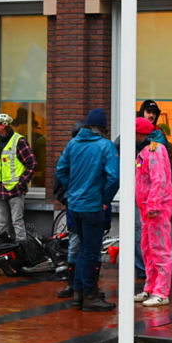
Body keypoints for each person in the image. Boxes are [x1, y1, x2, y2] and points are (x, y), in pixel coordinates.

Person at [56, 108, 119, 312]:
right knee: (91, 252)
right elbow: (113, 177)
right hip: (93, 206)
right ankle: (89, 295)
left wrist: (73, 189)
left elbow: (60, 170)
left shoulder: (73, 143)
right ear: (103, 128)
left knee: (83, 249)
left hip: (74, 205)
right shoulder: (105, 146)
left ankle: (79, 292)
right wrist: (105, 199)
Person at [134, 117, 172, 307]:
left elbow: (158, 180)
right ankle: (150, 287)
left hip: (155, 209)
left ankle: (161, 292)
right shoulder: (146, 150)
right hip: (147, 208)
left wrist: (152, 205)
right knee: (148, 249)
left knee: (159, 249)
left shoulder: (155, 150)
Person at [0, 113, 36, 244]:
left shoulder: (19, 141)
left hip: (15, 188)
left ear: (3, 126)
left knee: (17, 221)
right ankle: (4, 248)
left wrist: (21, 183)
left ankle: (23, 248)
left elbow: (32, 163)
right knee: (2, 221)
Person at [54, 120, 87, 298]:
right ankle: (73, 284)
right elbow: (58, 185)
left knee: (89, 248)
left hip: (87, 207)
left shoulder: (93, 153)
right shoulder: (67, 156)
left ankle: (86, 286)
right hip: (75, 209)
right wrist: (71, 197)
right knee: (75, 246)